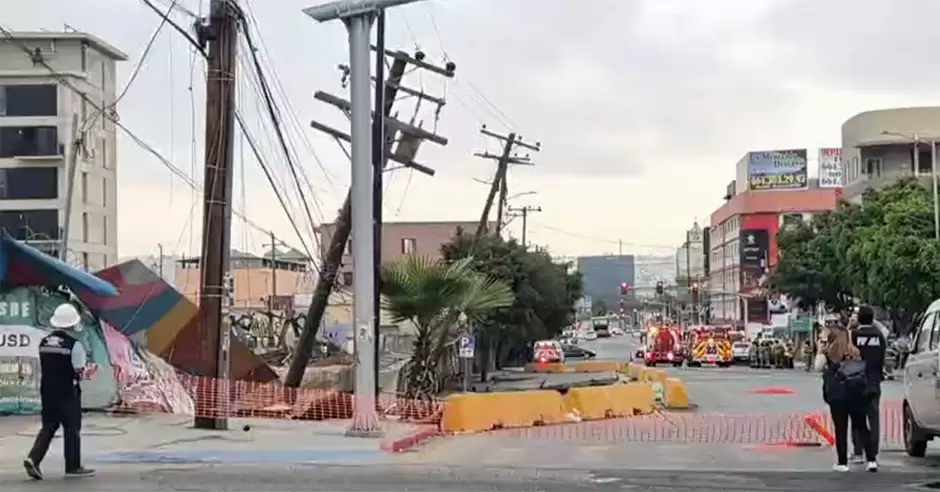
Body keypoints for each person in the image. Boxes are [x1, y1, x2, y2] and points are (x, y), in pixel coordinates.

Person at [23, 303, 96, 480]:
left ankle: (34, 458)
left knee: (48, 426)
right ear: (73, 324)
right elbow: (79, 369)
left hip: (47, 390)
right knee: (72, 429)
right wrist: (90, 370)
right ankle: (73, 466)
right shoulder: (74, 345)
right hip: (67, 392)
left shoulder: (44, 342)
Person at [814, 324, 876, 472]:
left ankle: (842, 463)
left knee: (841, 428)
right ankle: (871, 460)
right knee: (862, 426)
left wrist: (819, 350)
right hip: (857, 393)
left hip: (838, 396)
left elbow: (817, 367)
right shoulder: (854, 351)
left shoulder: (829, 352)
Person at [849, 306, 887, 468]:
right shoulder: (880, 336)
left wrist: (852, 325)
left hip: (856, 381)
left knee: (857, 417)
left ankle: (858, 452)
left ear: (858, 319)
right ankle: (873, 452)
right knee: (873, 418)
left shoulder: (853, 335)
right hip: (874, 381)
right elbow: (884, 331)